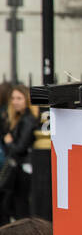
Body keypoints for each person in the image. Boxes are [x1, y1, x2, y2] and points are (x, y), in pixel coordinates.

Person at [0, 85, 38, 222]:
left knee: (19, 207)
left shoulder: (27, 120)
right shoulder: (16, 118)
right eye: (13, 98)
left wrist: (9, 142)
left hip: (22, 171)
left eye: (19, 98)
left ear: (26, 100)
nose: (15, 101)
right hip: (18, 169)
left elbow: (20, 147)